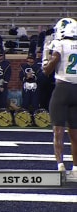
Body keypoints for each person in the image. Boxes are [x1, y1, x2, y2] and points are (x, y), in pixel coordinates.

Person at [42, 17, 77, 173]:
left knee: (58, 131)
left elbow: (47, 70)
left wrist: (45, 57)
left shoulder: (60, 44)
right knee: (75, 133)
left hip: (63, 89)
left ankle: (60, 165)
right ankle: (76, 167)